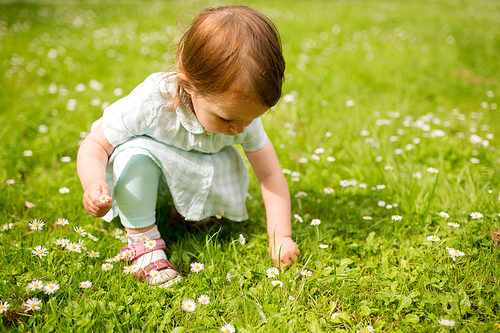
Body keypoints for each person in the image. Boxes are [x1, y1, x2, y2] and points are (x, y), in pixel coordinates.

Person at [77, 5, 300, 286]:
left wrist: (281, 236)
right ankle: (144, 244)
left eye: (252, 117)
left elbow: (270, 175)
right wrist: (93, 182)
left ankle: (186, 214)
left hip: (194, 167)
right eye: (227, 119)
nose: (240, 129)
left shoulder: (240, 115)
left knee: (224, 157)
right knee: (134, 156)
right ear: (189, 83)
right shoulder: (153, 102)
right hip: (145, 175)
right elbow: (95, 143)